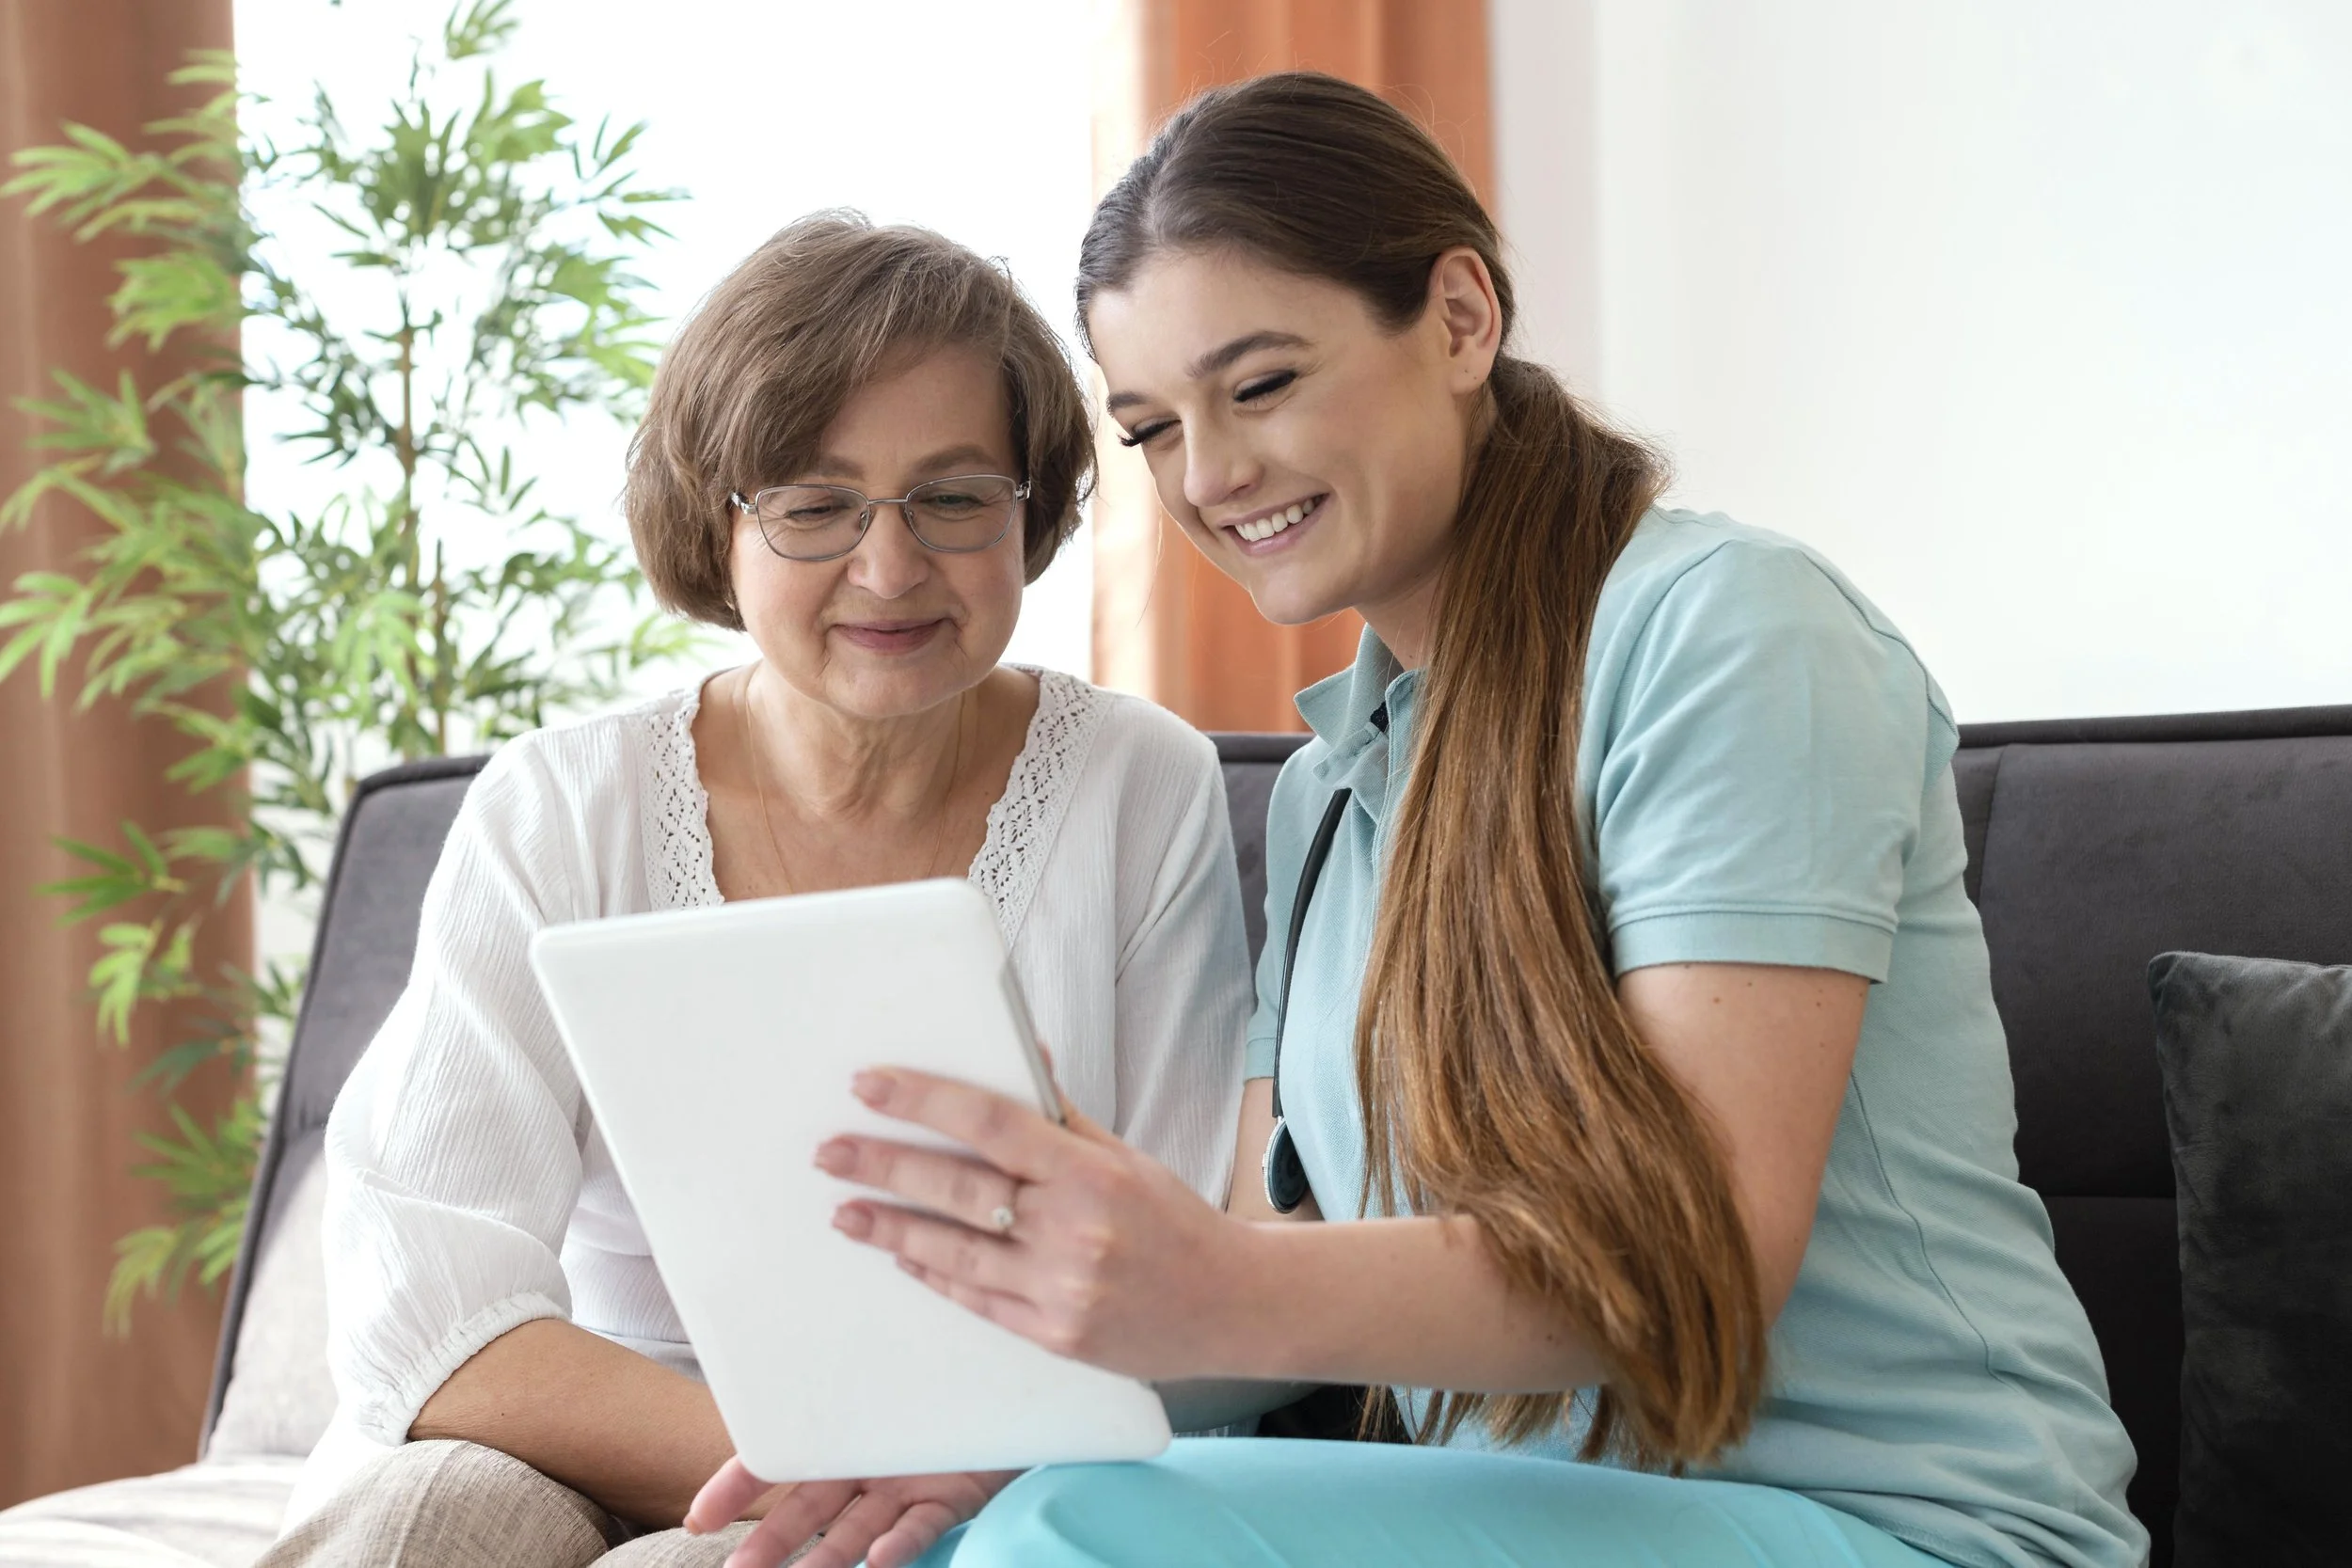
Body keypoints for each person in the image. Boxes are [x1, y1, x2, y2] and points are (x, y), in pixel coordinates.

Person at [691, 74, 2148, 1568]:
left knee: (1069, 1535)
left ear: (1460, 319)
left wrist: (1195, 1282)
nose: (1211, 475)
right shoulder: (1330, 794)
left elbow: (1692, 1265)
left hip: (1914, 1529)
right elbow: (1282, 1297)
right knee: (961, 1531)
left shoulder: (1731, 635)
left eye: (1258, 386)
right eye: (1153, 429)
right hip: (1554, 1522)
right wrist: (979, 1426)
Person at [262, 214, 1254, 1568]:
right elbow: (425, 1303)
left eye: (954, 497)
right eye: (813, 504)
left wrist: (891, 1476)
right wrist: (790, 1461)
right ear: (719, 523)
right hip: (590, 1417)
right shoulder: (560, 806)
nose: (889, 567)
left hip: (972, 1458)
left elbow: (1191, 1255)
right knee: (425, 1518)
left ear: (1029, 514)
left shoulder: (1143, 785)